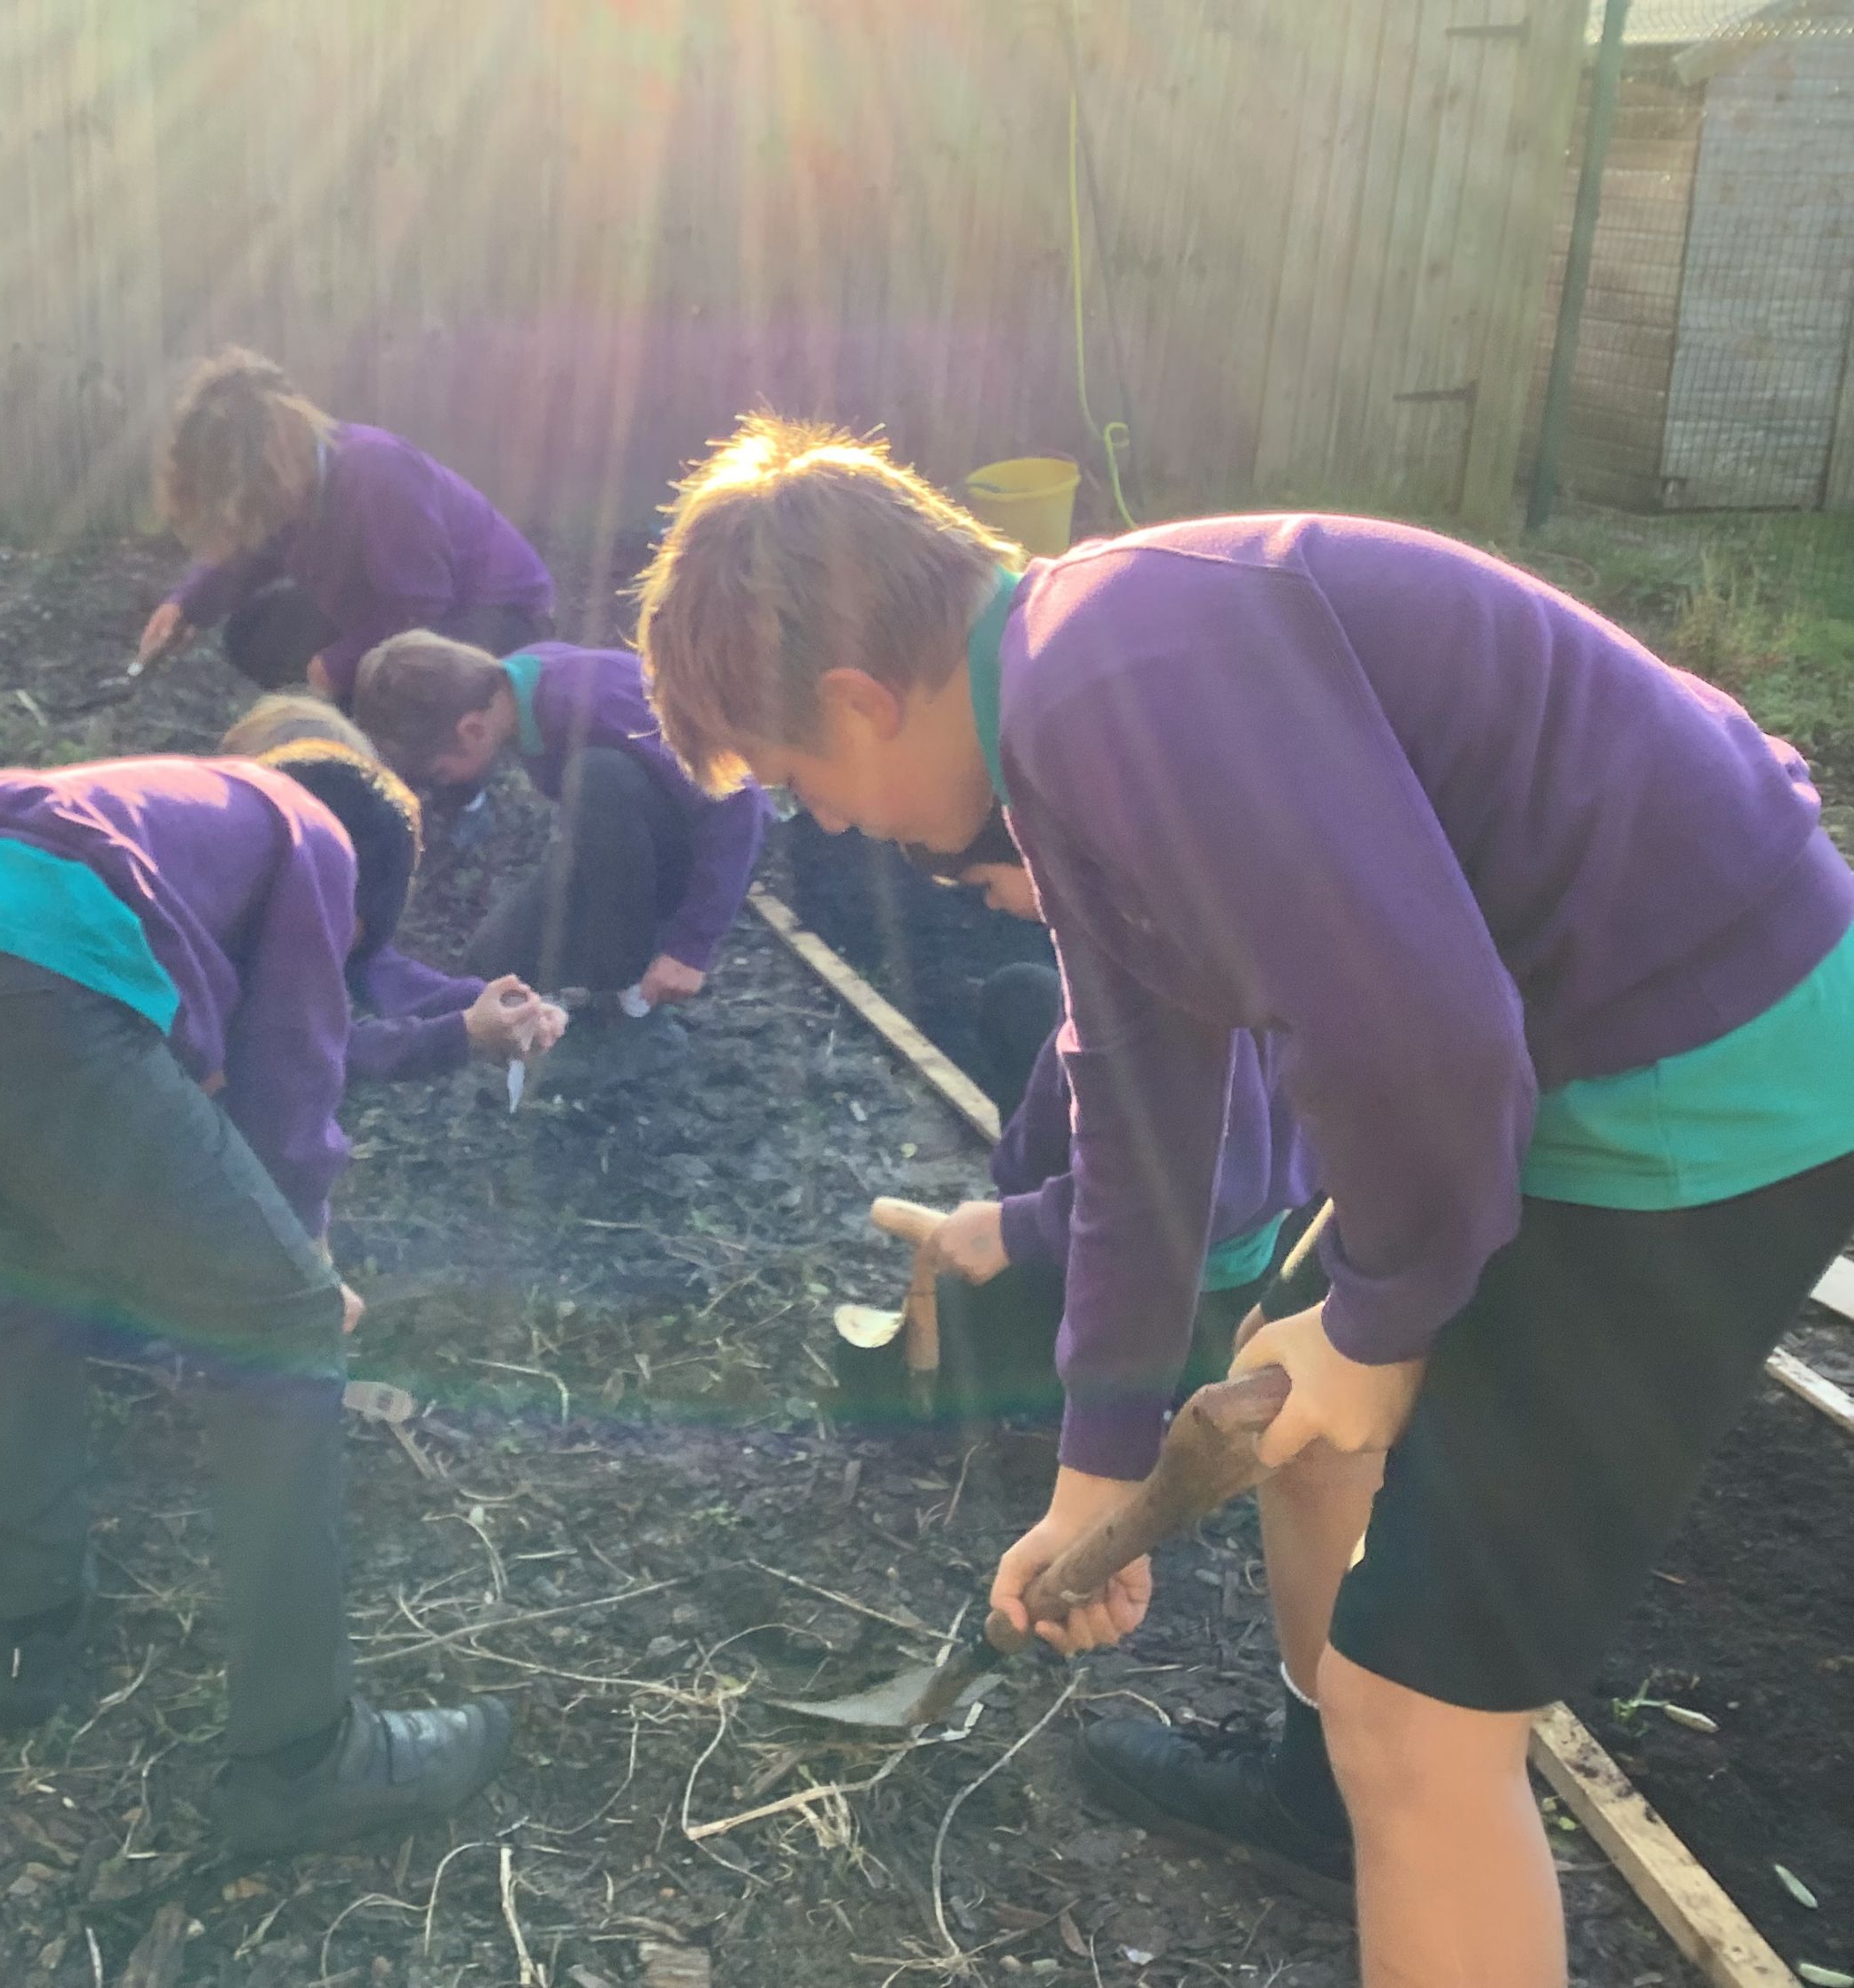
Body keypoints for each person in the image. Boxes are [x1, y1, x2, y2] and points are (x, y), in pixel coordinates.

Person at [634, 415, 1854, 1979]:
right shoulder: (1060, 703)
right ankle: (1324, 1804)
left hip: (1701, 1069)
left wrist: (1390, 1318)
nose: (830, 820)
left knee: (1419, 1721)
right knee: (1298, 1411)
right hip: (1579, 1043)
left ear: (862, 700)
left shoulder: (1121, 680)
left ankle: (1389, 1788)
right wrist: (1098, 1462)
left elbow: (1432, 1041)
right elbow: (1144, 1107)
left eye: (801, 779)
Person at [0, 747, 511, 1857]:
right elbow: (290, 1072)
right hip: (18, 991)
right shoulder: (312, 828)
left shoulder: (133, 807)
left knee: (30, 1247)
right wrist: (299, 1256)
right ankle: (304, 1758)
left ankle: (24, 1632)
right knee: (286, 1322)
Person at [873, 844, 1317, 1430]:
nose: (991, 905)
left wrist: (1023, 1227)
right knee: (1019, 995)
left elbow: (1204, 1194)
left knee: (982, 1332)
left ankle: (1153, 1361)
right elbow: (1066, 1062)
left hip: (1183, 1262)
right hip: (1155, 1180)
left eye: (985, 883)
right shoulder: (1135, 909)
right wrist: (1019, 1188)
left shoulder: (1167, 983)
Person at [352, 631, 772, 1074]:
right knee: (491, 964)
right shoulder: (514, 686)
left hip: (707, 848)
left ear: (472, 730)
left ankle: (634, 1011)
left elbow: (742, 803)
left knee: (597, 777)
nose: (443, 786)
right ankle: (602, 987)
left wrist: (690, 948)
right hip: (620, 844)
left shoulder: (591, 702)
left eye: (439, 774)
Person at [136, 349, 554, 706]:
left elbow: (420, 609)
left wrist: (339, 665)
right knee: (255, 632)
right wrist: (186, 605)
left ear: (273, 457)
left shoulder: (376, 474)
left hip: (492, 618)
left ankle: (414, 755)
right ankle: (350, 709)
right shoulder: (292, 484)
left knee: (393, 687)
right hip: (388, 599)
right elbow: (254, 549)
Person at [218, 694, 567, 1084]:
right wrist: (462, 1033)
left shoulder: (325, 895)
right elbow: (313, 1051)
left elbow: (382, 971)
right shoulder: (228, 927)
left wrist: (497, 1004)